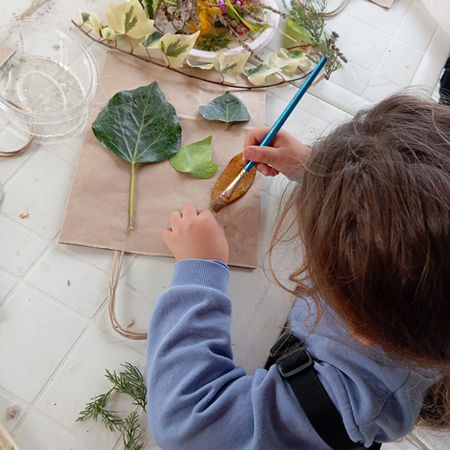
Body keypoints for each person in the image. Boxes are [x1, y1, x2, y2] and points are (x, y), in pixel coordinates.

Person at [146, 93, 450, 449]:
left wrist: (200, 269)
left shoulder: (348, 403)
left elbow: (184, 420)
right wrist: (324, 172)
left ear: (361, 325)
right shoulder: (423, 296)